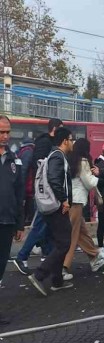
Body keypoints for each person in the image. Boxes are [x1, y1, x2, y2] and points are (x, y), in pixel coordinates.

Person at [28, 127, 74, 296]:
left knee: (59, 242)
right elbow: (55, 179)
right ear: (65, 141)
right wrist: (64, 200)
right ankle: (39, 274)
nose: (73, 142)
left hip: (51, 205)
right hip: (57, 206)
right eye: (71, 139)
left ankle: (57, 281)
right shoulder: (58, 157)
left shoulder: (54, 155)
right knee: (64, 243)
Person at [13, 118, 63, 275]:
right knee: (40, 225)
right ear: (54, 129)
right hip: (45, 194)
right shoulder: (45, 144)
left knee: (46, 226)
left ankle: (47, 258)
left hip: (45, 192)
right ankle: (22, 256)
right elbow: (41, 167)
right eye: (61, 129)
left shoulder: (46, 143)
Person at [62, 139, 104, 279]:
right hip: (77, 201)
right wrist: (98, 177)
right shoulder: (83, 161)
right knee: (74, 235)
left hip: (70, 200)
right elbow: (88, 182)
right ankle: (64, 267)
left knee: (82, 232)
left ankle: (94, 257)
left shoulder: (71, 159)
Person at [0, 116, 25, 323]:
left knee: (1, 267)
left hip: (7, 222)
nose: (5, 136)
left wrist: (19, 223)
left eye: (7, 132)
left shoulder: (14, 159)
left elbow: (19, 193)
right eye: (1, 132)